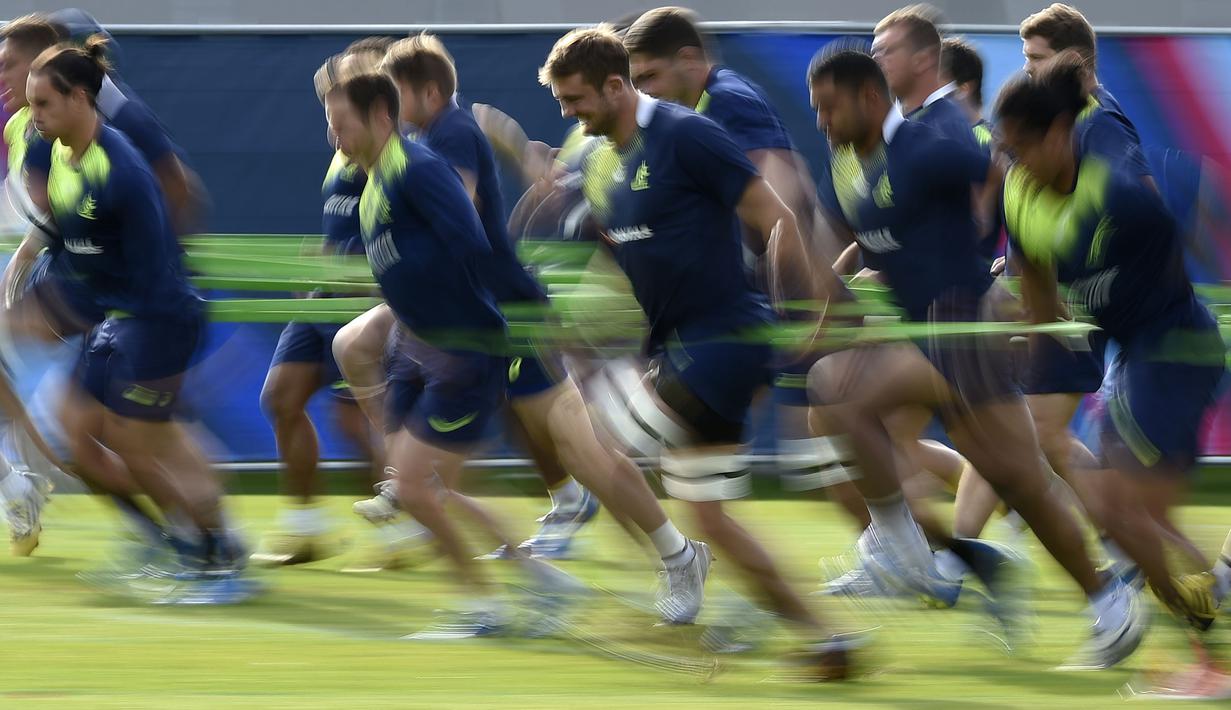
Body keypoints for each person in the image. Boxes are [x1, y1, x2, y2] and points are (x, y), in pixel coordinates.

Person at [805, 45, 1145, 668]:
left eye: (829, 108)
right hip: (926, 338)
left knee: (1019, 479)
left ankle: (1102, 599)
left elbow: (996, 162)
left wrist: (993, 246)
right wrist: (830, 311)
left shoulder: (926, 145)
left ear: (870, 99)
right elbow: (850, 239)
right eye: (816, 111)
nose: (822, 122)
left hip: (967, 335)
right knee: (837, 392)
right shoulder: (846, 166)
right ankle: (915, 549)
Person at [538, 28, 859, 675]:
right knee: (713, 520)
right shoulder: (602, 161)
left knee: (573, 425)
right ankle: (827, 639)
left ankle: (671, 569)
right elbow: (626, 249)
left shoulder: (687, 135)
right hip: (680, 350)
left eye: (575, 99)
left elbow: (777, 219)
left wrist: (800, 309)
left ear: (614, 84)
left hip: (721, 343)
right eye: (561, 103)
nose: (568, 113)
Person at [996, 54, 1226, 636]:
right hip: (1131, 353)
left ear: (1057, 134)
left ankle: (1203, 618)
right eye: (1006, 150)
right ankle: (1199, 612)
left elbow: (1188, 227)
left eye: (1020, 147)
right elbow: (1042, 297)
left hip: (1177, 351)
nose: (1011, 163)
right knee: (1116, 512)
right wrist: (1026, 339)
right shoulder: (1019, 194)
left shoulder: (1120, 196)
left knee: (1130, 511)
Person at [621, 4, 870, 536]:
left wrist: (799, 303)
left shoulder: (726, 101)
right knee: (809, 454)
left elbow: (785, 198)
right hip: (769, 301)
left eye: (649, 77)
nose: (642, 92)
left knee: (822, 450)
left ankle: (922, 552)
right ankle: (909, 550)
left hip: (790, 298)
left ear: (689, 59)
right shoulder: (689, 116)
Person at [24, 36, 252, 598]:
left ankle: (223, 560)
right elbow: (73, 242)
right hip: (118, 318)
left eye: (44, 105)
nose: (34, 117)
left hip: (155, 317)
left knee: (147, 442)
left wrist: (54, 312)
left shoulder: (120, 170)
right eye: (30, 105)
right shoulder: (59, 153)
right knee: (79, 425)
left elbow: (138, 276)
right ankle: (183, 546)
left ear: (80, 98)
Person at [250, 40, 391, 567]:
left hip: (361, 305)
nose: (334, 112)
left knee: (358, 424)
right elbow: (340, 225)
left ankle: (406, 532)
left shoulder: (396, 154)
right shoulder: (342, 149)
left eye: (350, 83)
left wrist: (373, 286)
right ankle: (304, 528)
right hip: (320, 300)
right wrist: (318, 264)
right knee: (279, 398)